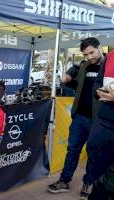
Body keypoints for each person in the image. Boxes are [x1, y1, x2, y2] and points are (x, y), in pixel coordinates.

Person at [47, 37, 105, 200]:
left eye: (92, 52)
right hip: (79, 117)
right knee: (72, 150)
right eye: (86, 54)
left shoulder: (108, 66)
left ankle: (89, 183)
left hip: (98, 120)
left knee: (94, 153)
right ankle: (64, 181)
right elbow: (76, 76)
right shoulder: (84, 65)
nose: (89, 57)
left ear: (99, 47)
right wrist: (67, 77)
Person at [85, 50, 114, 199]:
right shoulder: (111, 55)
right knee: (97, 174)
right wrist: (99, 92)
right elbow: (97, 82)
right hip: (104, 121)